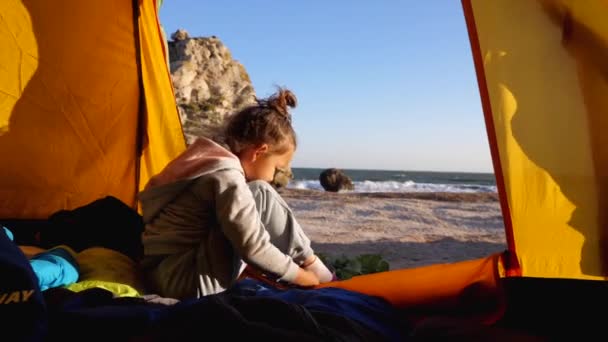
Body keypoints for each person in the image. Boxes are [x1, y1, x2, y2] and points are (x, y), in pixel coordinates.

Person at [139, 88, 334, 299]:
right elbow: (254, 248)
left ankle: (310, 263)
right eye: (277, 168)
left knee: (256, 193)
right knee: (261, 191)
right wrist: (303, 278)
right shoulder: (226, 177)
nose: (273, 177)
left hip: (161, 269)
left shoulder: (205, 160)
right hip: (183, 281)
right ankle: (316, 270)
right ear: (258, 152)